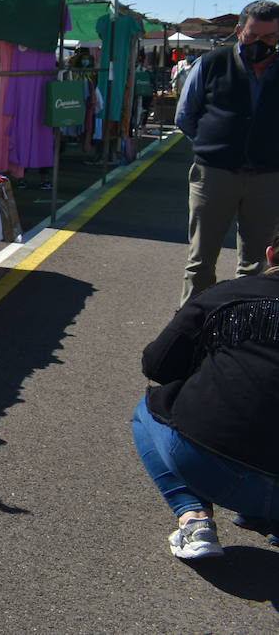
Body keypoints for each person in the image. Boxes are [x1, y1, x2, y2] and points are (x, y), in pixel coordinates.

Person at [131, 228, 279, 560]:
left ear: (269, 255)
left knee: (148, 408)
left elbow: (157, 364)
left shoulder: (227, 294)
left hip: (214, 470)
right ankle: (265, 514)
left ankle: (193, 518)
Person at [175, 0, 279, 304]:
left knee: (256, 263)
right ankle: (190, 327)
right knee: (201, 261)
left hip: (268, 178)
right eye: (253, 36)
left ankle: (243, 330)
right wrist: (213, 146)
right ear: (238, 31)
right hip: (215, 175)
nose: (261, 43)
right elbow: (185, 115)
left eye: (270, 37)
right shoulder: (211, 63)